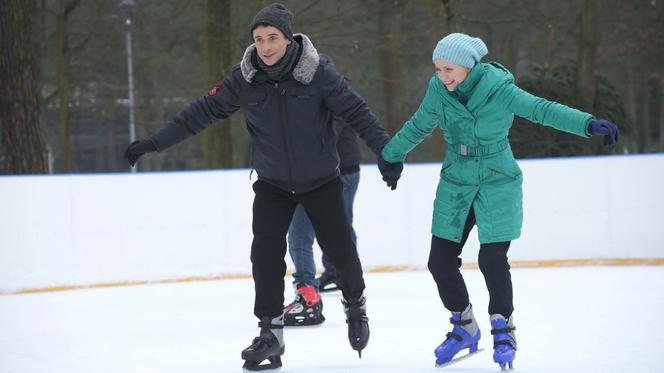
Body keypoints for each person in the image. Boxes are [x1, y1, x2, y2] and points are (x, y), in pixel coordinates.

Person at [123, 3, 403, 371]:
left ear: (288, 39)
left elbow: (357, 112)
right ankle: (271, 332)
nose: (265, 46)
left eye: (272, 38)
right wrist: (154, 143)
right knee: (265, 257)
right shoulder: (245, 78)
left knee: (341, 252)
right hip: (272, 182)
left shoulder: (318, 74)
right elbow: (199, 112)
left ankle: (355, 306)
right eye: (258, 39)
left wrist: (386, 151)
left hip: (320, 181)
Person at [379, 33, 618, 370]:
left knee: (492, 258)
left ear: (468, 66)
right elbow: (420, 125)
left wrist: (587, 123)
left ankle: (503, 327)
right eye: (438, 70)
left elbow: (540, 110)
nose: (442, 77)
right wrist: (391, 156)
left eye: (449, 69)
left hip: (497, 179)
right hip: (457, 180)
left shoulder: (499, 89)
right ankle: (464, 327)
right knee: (440, 260)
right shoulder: (438, 91)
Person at [283, 123, 361, 327]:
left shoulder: (331, 95)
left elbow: (325, 132)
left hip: (330, 172)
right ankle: (336, 276)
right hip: (326, 170)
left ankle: (318, 288)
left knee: (313, 232)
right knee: (336, 228)